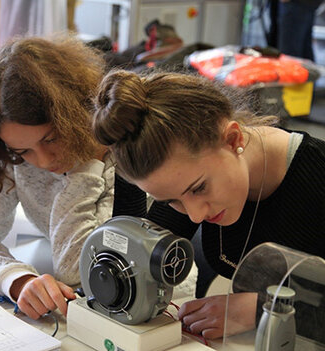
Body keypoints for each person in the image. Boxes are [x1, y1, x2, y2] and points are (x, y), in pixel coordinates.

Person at [92, 70, 325, 339]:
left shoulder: (316, 178)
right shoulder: (182, 177)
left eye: (199, 188)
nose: (194, 215)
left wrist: (263, 308)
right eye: (171, 201)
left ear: (233, 140)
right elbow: (133, 253)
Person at [0, 36, 148, 320]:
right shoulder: (16, 160)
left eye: (51, 139)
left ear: (75, 114)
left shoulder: (124, 161)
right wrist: (17, 280)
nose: (43, 161)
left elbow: (80, 271)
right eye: (22, 150)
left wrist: (85, 167)